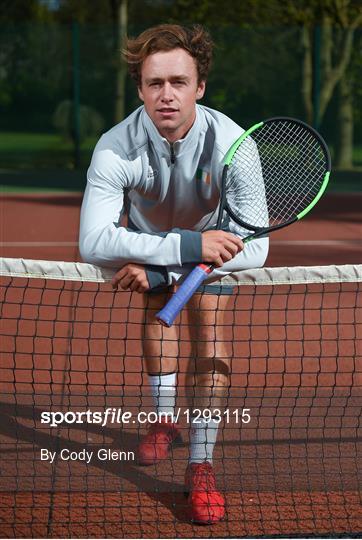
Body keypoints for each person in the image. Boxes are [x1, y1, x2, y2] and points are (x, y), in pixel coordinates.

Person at [79, 23, 268, 524]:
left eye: (178, 82)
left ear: (199, 87)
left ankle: (201, 463)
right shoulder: (115, 146)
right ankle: (165, 419)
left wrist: (168, 267)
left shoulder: (234, 144)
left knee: (209, 328)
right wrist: (180, 250)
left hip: (215, 243)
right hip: (163, 240)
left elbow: (260, 246)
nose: (167, 95)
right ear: (140, 88)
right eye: (155, 83)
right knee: (155, 316)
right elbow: (93, 241)